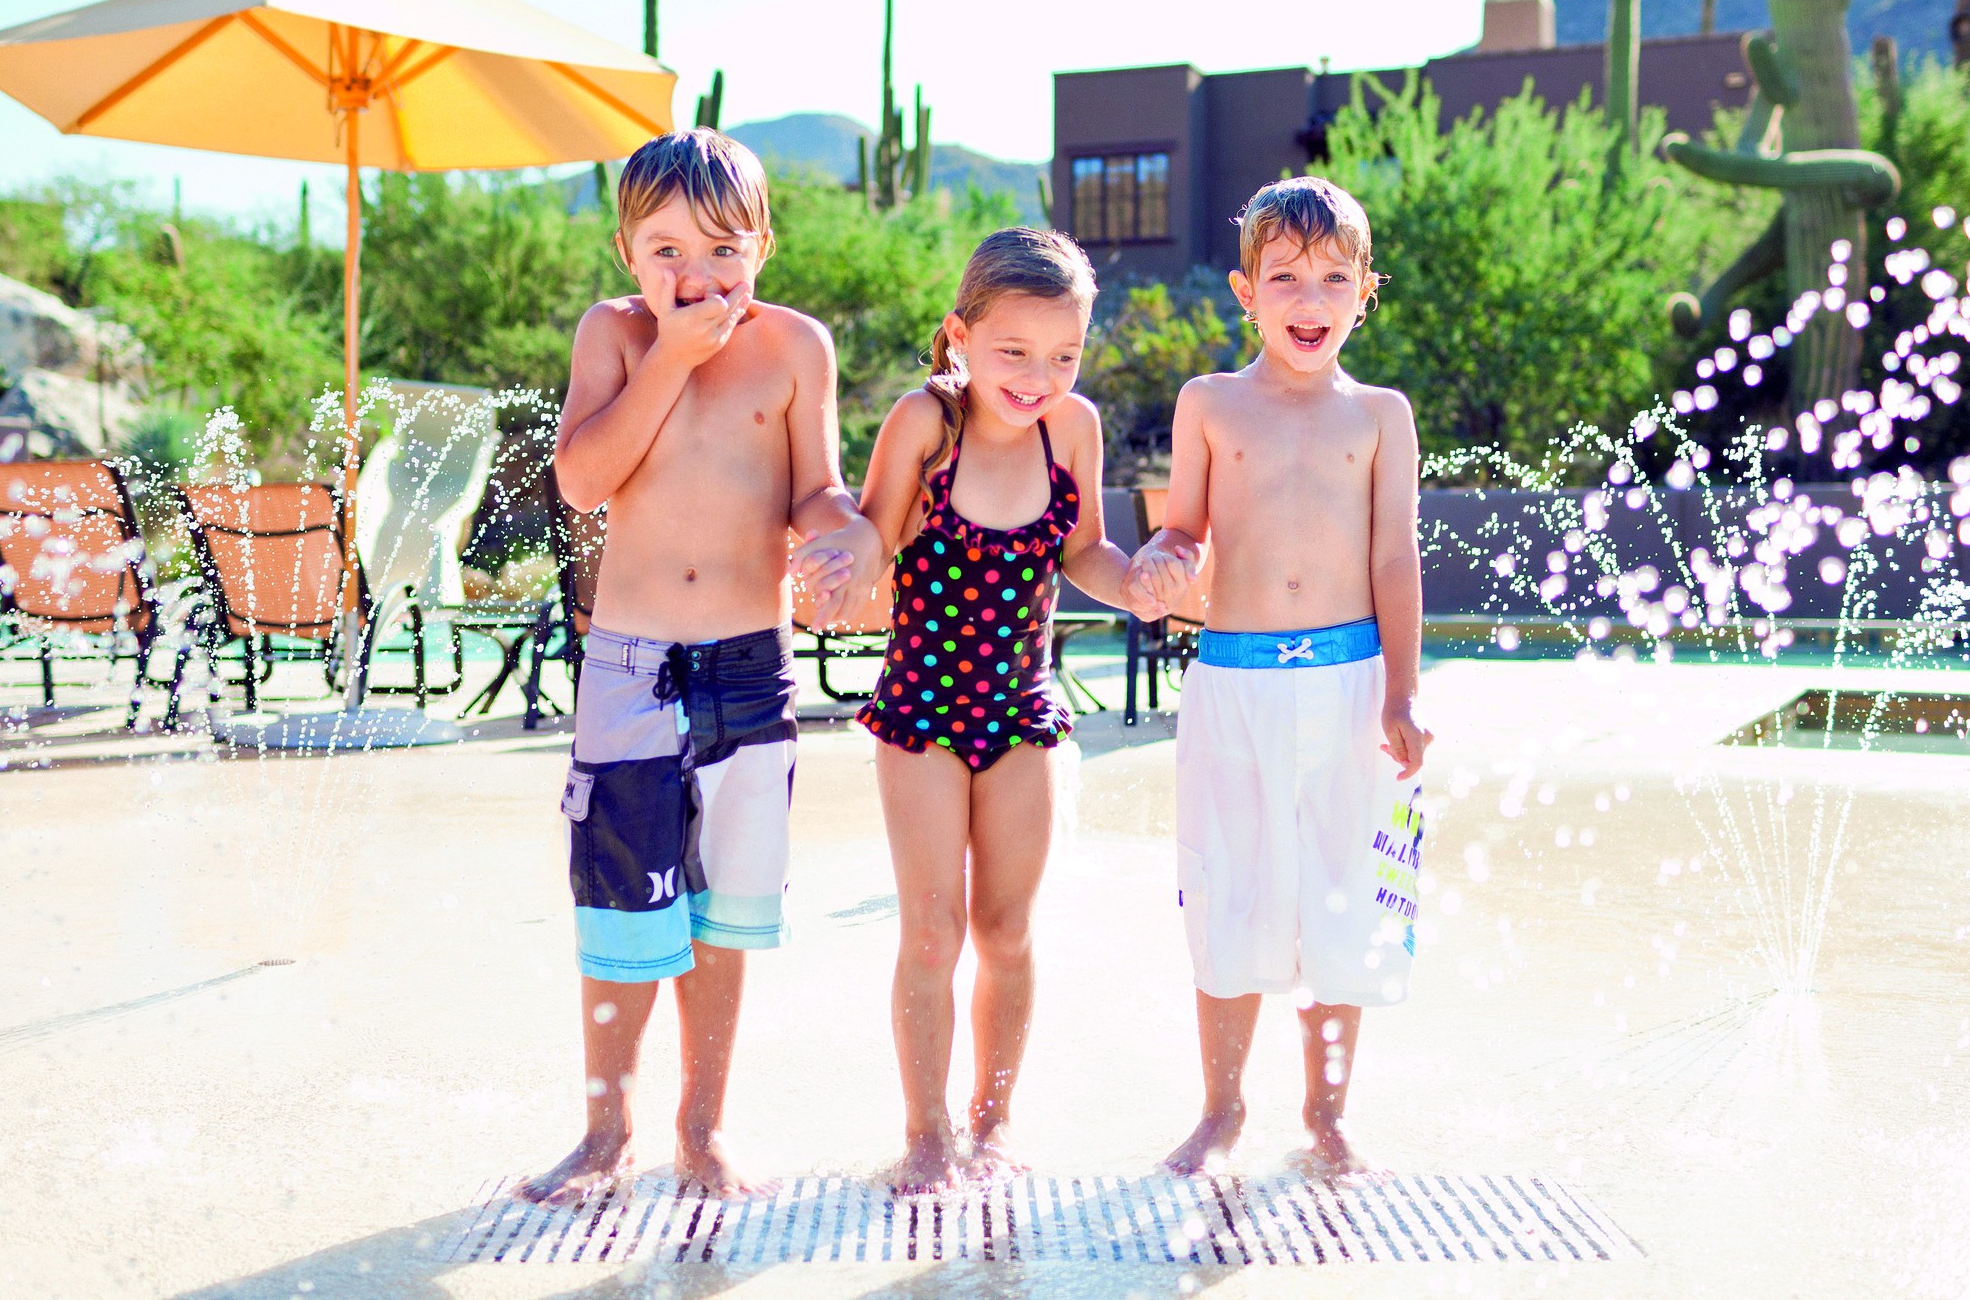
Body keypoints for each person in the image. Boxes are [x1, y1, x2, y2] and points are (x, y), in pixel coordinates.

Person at [521, 129, 879, 1201]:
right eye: (667, 250)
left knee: (722, 910)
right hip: (630, 664)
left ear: (763, 243)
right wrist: (670, 359)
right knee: (620, 903)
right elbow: (584, 478)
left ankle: (702, 1128)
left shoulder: (795, 349)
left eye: (723, 249)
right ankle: (604, 1131)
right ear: (628, 251)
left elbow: (813, 486)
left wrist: (845, 529)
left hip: (746, 663)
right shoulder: (616, 338)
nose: (696, 275)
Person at [1127, 176, 1432, 1181]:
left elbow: (1396, 558)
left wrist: (1402, 691)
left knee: (1345, 901)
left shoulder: (1381, 416)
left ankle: (1327, 1115)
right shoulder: (1209, 402)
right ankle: (1222, 1109)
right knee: (1228, 891)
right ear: (1244, 291)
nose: (1310, 300)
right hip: (1234, 680)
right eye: (1286, 278)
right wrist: (1169, 554)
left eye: (1333, 279)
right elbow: (1188, 522)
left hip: (1351, 684)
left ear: (1366, 293)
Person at [854, 226, 1160, 1189]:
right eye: (1014, 353)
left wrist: (1144, 579)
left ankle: (990, 1126)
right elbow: (868, 538)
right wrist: (830, 563)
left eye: (1063, 356)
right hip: (920, 709)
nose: (1037, 376)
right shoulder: (924, 425)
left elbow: (1086, 554)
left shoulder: (1071, 429)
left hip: (1022, 708)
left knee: (1006, 930)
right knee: (931, 931)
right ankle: (924, 1132)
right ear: (959, 337)